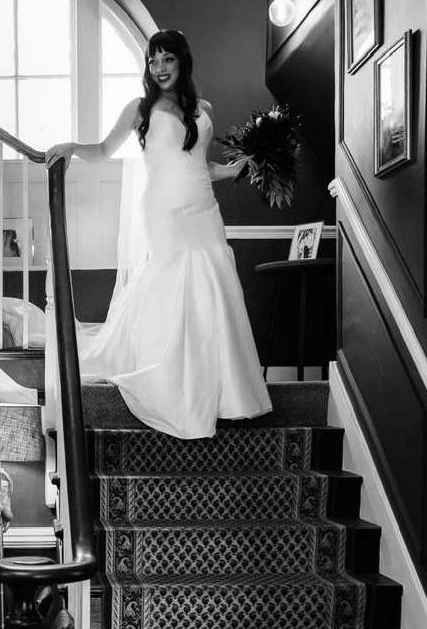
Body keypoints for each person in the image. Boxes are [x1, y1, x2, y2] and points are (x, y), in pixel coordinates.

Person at [45, 28, 272, 439]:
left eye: (167, 59)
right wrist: (72, 146)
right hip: (164, 210)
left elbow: (200, 166)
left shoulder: (203, 108)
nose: (160, 68)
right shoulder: (139, 108)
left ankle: (223, 392)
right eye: (153, 61)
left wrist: (233, 169)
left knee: (215, 282)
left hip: (204, 210)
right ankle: (168, 378)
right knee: (174, 280)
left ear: (182, 61)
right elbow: (103, 149)